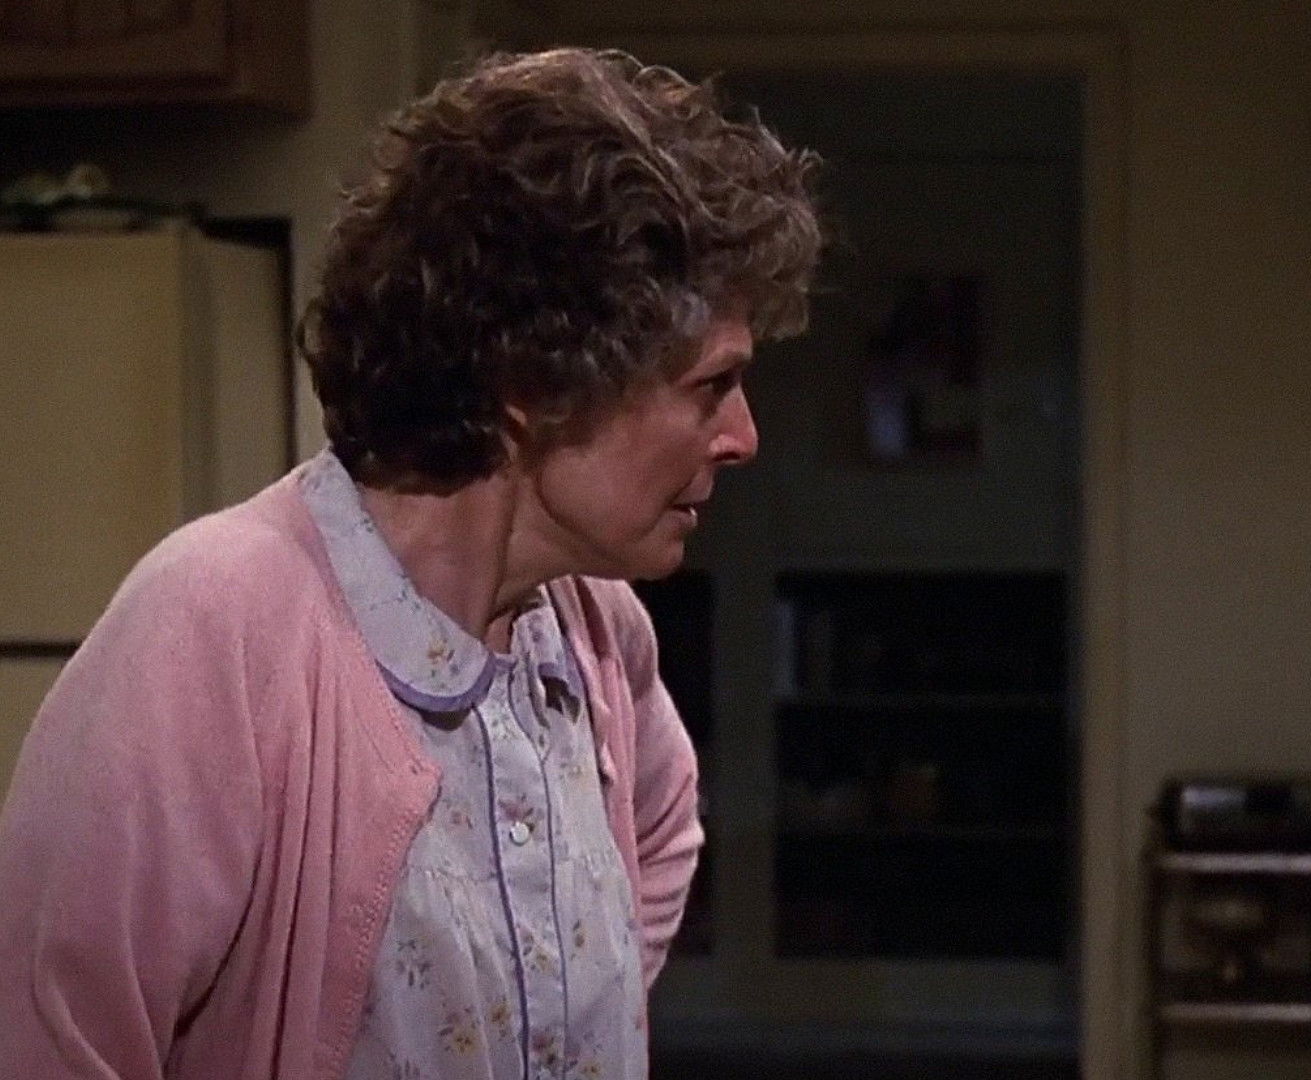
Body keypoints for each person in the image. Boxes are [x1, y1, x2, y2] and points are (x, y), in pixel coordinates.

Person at [0, 48, 821, 1079]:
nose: (743, 436)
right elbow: (47, 1038)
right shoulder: (219, 627)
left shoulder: (592, 628)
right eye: (711, 386)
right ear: (537, 377)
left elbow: (662, 831)